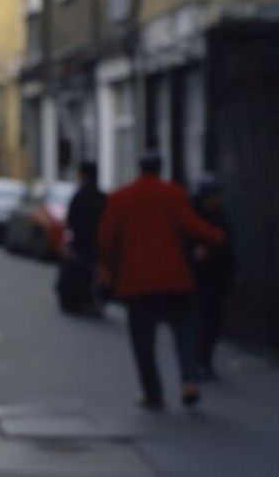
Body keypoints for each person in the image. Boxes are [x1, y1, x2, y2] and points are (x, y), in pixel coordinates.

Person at [98, 152, 224, 409]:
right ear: (160, 168)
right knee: (185, 331)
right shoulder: (174, 194)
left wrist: (108, 269)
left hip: (136, 283)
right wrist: (216, 237)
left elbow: (106, 238)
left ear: (140, 168)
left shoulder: (121, 198)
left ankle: (153, 393)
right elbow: (192, 225)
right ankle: (189, 380)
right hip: (174, 279)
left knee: (143, 341)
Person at [189, 174, 237, 380]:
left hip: (215, 277)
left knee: (212, 320)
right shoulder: (195, 215)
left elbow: (227, 247)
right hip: (199, 277)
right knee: (200, 320)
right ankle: (198, 360)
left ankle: (204, 359)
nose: (215, 200)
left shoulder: (220, 217)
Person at [59, 161, 106, 316]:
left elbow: (70, 222)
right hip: (97, 245)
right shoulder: (101, 197)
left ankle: (80, 299)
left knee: (77, 273)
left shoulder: (79, 198)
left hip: (81, 245)